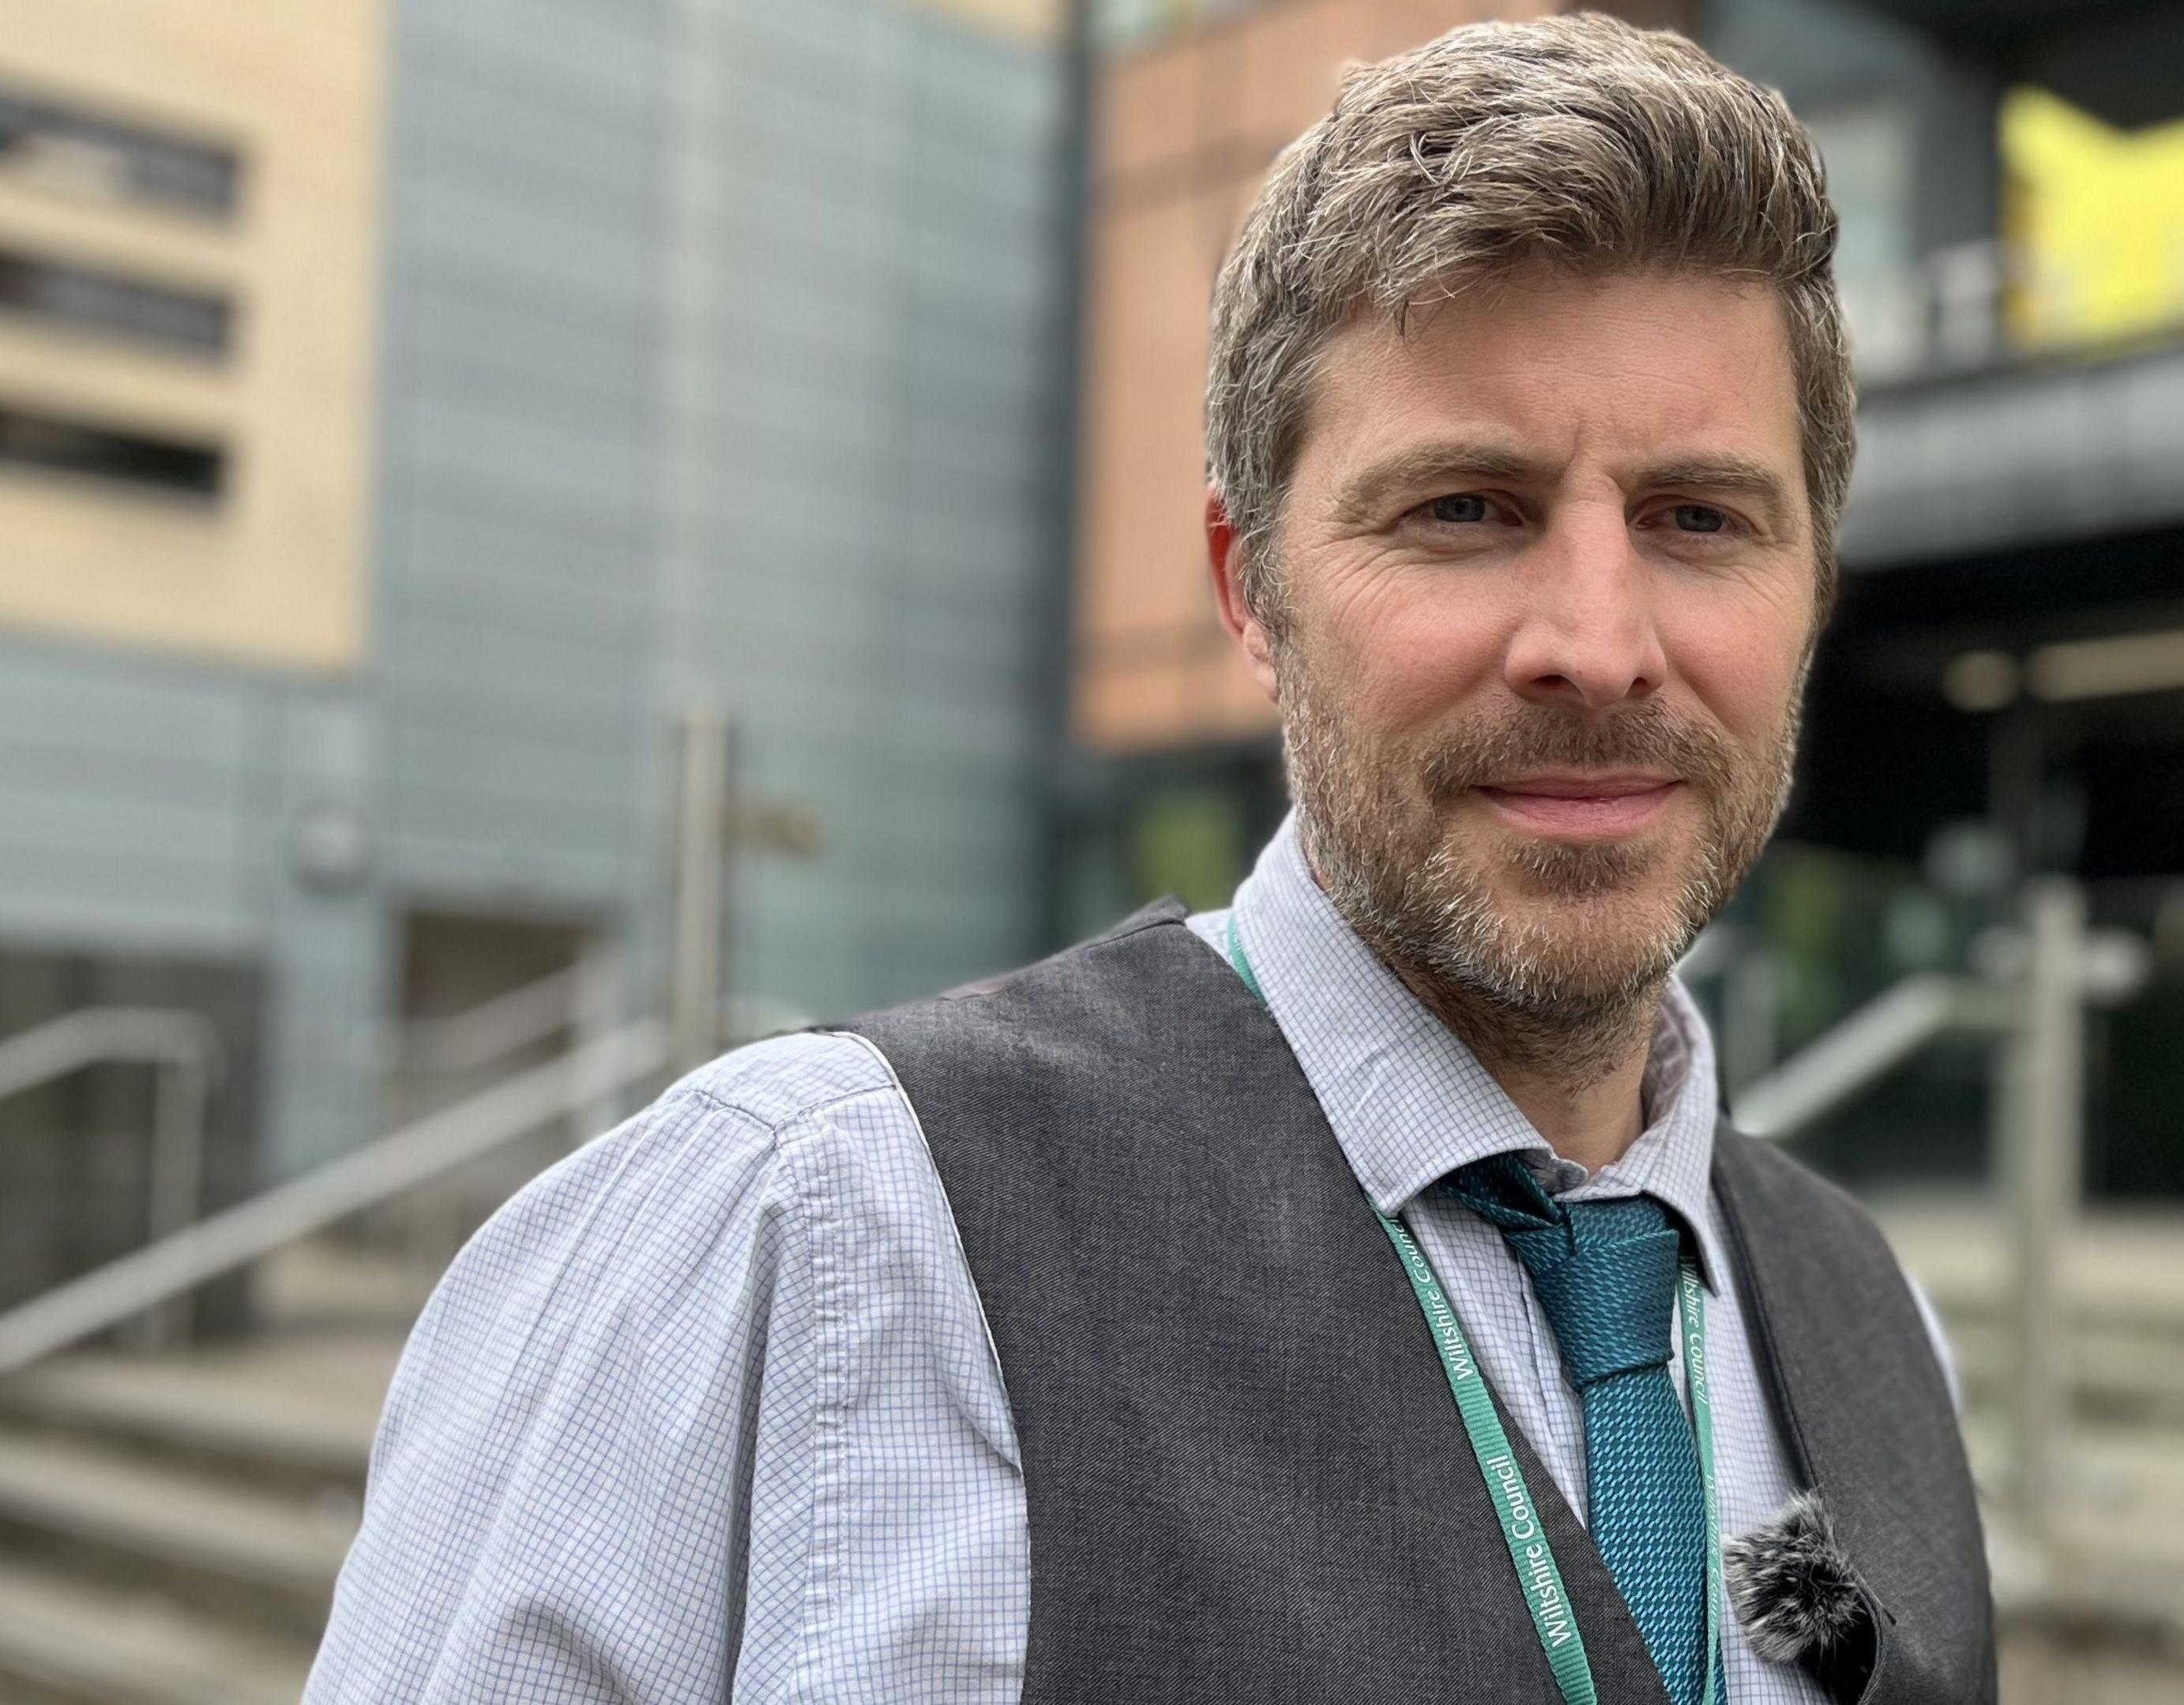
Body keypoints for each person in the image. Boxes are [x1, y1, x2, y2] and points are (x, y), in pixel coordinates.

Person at [306, 15, 1992, 1702]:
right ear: (1249, 590)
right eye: (1465, 509)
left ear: (1811, 593)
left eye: (1700, 519)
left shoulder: (1877, 1331)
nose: (1598, 643)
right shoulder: (801, 1241)